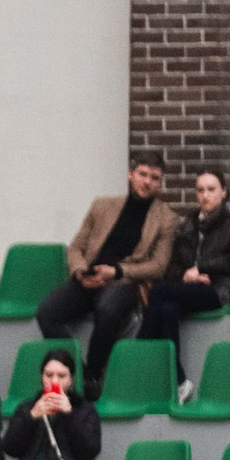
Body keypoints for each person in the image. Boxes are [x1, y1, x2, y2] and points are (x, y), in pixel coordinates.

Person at [36, 151, 178, 395]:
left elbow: (158, 265)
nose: (147, 181)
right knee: (46, 313)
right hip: (88, 278)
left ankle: (92, 377)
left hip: (122, 281)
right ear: (130, 175)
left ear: (160, 183)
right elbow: (76, 248)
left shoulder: (167, 218)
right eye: (143, 174)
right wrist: (81, 271)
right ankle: (78, 372)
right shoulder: (102, 206)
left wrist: (117, 271)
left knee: (109, 309)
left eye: (155, 178)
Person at [136, 169, 230, 400]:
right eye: (200, 190)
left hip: (222, 290)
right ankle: (180, 382)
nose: (205, 195)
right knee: (165, 309)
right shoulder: (189, 225)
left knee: (160, 292)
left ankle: (138, 356)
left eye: (211, 189)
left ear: (224, 192)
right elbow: (173, 265)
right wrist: (187, 275)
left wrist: (203, 269)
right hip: (191, 289)